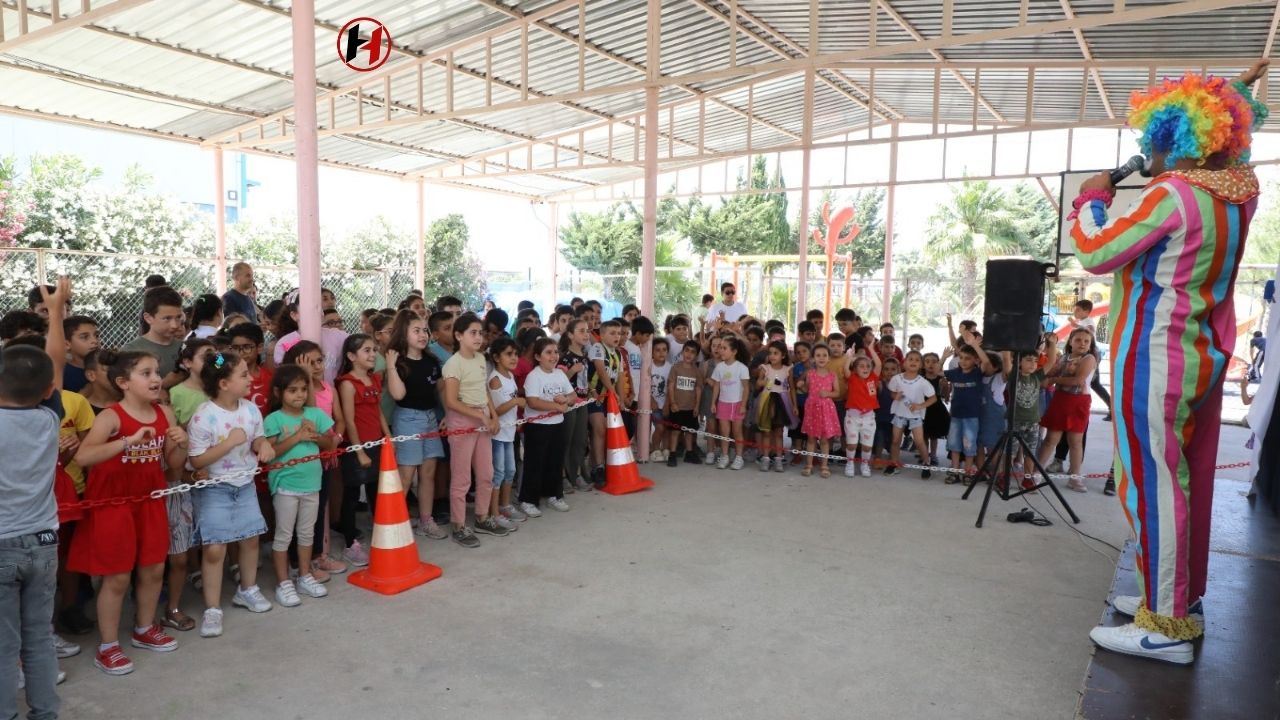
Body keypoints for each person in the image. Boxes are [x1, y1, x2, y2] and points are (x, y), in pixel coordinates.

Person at [1072, 60, 1270, 664]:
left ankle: (1167, 623)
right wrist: (1231, 90)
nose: (1148, 151)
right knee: (1180, 478)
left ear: (1174, 140)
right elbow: (1218, 138)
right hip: (1198, 355)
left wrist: (1091, 198)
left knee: (1154, 485)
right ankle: (1176, 596)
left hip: (1154, 358)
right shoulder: (1240, 191)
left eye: (1155, 138)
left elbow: (1097, 253)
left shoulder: (1174, 195)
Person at [69, 349, 188, 675]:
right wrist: (127, 441)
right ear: (123, 382)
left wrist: (181, 443)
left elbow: (173, 467)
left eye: (156, 372)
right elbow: (83, 458)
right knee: (117, 577)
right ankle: (107, 647)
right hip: (113, 506)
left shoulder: (165, 413)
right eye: (146, 373)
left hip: (151, 501)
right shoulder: (111, 416)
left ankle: (144, 628)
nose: (155, 378)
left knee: (152, 570)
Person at [0, 280, 69, 717]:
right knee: (39, 640)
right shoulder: (49, 419)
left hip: (2, 545)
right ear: (48, 391)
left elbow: (51, 367)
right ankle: (45, 713)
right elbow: (55, 363)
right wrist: (56, 313)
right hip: (43, 542)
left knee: (5, 648)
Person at [187, 349, 276, 638]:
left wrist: (263, 444)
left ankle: (247, 589)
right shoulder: (203, 417)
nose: (251, 378)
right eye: (243, 374)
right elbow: (197, 461)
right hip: (215, 490)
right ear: (224, 383)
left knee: (251, 541)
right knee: (215, 549)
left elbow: (258, 435)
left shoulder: (250, 409)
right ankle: (212, 608)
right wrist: (228, 444)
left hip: (245, 485)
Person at [263, 365, 335, 607]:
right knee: (283, 535)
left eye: (304, 389)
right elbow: (270, 453)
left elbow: (330, 444)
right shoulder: (274, 419)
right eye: (292, 390)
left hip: (312, 484)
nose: (300, 395)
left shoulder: (315, 415)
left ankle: (304, 575)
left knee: (306, 533)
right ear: (278, 392)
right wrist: (297, 437)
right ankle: (284, 582)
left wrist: (316, 436)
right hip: (285, 486)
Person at [280, 342, 347, 577]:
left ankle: (316, 556)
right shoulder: (299, 394)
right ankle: (298, 563)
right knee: (296, 515)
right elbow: (309, 417)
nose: (317, 366)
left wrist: (336, 439)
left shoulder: (328, 387)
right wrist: (305, 379)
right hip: (304, 458)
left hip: (326, 455)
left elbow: (339, 419)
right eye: (309, 363)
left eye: (319, 360)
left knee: (317, 510)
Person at [383, 311, 450, 540]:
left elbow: (440, 388)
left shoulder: (431, 360)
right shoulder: (398, 362)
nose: (423, 335)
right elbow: (398, 394)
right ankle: (391, 527)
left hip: (430, 418)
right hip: (408, 419)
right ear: (404, 333)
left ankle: (426, 520)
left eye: (425, 330)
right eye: (416, 330)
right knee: (406, 475)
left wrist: (448, 413)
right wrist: (391, 366)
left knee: (428, 473)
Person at [442, 313, 505, 547]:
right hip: (462, 420)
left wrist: (494, 414)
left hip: (482, 419)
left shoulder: (480, 359)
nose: (478, 337)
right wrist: (480, 415)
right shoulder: (453, 364)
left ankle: (482, 517)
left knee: (486, 473)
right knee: (461, 477)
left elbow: (484, 391)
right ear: (459, 336)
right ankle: (458, 524)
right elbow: (451, 401)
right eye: (473, 333)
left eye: (480, 333)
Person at [334, 334, 391, 565]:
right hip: (357, 447)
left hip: (376, 444)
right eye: (367, 350)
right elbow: (349, 420)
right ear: (351, 356)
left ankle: (381, 535)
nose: (373, 354)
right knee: (351, 495)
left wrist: (387, 437)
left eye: (374, 350)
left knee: (376, 490)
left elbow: (378, 412)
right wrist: (359, 451)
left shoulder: (374, 379)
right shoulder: (347, 383)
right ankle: (350, 543)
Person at [1036, 328, 1097, 493]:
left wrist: (1053, 380)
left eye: (1086, 341)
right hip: (1060, 400)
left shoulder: (1089, 358)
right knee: (1050, 439)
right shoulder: (1063, 357)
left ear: (1090, 345)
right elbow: (1049, 372)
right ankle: (1036, 474)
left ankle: (1075, 477)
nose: (1082, 344)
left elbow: (1078, 380)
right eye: (1078, 340)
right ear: (1070, 342)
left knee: (1075, 441)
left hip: (1078, 402)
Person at [520, 338, 575, 514]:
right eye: (548, 352)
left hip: (557, 424)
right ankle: (528, 500)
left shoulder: (559, 374)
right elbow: (533, 402)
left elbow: (572, 395)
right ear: (537, 356)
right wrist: (556, 406)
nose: (553, 356)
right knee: (535, 462)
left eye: (556, 352)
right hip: (537, 426)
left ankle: (553, 495)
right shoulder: (533, 376)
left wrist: (566, 400)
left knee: (555, 460)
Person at [487, 337, 526, 528]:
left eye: (516, 354)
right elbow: (495, 410)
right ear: (496, 357)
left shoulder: (510, 377)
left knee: (510, 471)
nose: (514, 358)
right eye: (508, 354)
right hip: (497, 435)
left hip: (509, 432)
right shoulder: (495, 380)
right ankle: (493, 512)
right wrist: (515, 402)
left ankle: (505, 505)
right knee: (498, 473)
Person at [885, 351, 937, 478]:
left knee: (919, 441)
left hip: (915, 416)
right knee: (896, 440)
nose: (913, 362)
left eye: (917, 360)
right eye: (910, 359)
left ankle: (926, 464)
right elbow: (892, 393)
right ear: (904, 362)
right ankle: (893, 464)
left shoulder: (922, 382)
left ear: (921, 365)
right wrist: (895, 396)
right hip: (899, 414)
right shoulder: (896, 379)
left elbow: (933, 398)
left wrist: (920, 406)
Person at [124, 285, 186, 390]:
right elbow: (124, 390)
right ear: (148, 318)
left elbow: (219, 365)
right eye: (167, 318)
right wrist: (164, 384)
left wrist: (221, 352)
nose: (175, 325)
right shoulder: (131, 351)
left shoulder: (186, 347)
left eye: (178, 317)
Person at [557, 319, 593, 488]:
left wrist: (590, 390)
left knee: (580, 441)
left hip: (583, 403)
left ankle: (577, 473)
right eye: (581, 331)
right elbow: (558, 383)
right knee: (566, 440)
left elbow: (584, 381)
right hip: (569, 404)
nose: (586, 334)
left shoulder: (585, 357)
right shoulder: (564, 358)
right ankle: (563, 476)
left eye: (587, 330)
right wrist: (572, 371)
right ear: (570, 335)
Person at [944, 337, 984, 482]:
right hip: (956, 415)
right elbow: (938, 372)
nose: (963, 361)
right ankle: (954, 471)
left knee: (969, 445)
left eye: (967, 358)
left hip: (972, 416)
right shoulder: (955, 372)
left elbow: (986, 363)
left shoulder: (978, 373)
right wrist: (943, 358)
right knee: (954, 445)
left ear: (975, 360)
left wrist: (976, 346)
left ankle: (968, 472)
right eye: (961, 357)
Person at [799, 344, 841, 477]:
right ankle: (809, 465)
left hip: (826, 410)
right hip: (812, 409)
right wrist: (801, 385)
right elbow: (807, 390)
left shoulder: (832, 375)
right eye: (818, 355)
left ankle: (824, 465)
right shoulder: (810, 374)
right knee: (811, 439)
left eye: (824, 355)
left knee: (824, 440)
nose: (821, 358)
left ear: (829, 358)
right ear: (813, 358)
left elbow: (837, 393)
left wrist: (828, 394)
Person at [709, 336, 750, 470]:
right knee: (724, 432)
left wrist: (743, 405)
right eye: (720, 347)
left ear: (734, 351)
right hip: (723, 403)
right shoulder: (719, 367)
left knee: (737, 431)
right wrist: (713, 403)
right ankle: (725, 456)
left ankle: (739, 457)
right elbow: (716, 386)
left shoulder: (741, 368)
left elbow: (746, 388)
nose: (721, 350)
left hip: (737, 404)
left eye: (724, 348)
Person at [844, 334, 882, 478]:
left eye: (867, 366)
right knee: (852, 444)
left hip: (869, 418)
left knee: (867, 446)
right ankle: (850, 463)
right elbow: (846, 369)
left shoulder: (873, 377)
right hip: (852, 417)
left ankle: (865, 464)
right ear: (855, 368)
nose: (865, 368)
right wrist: (849, 356)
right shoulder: (852, 378)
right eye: (861, 366)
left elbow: (878, 365)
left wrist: (871, 350)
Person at [755, 340, 795, 472]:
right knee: (766, 432)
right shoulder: (765, 368)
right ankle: (766, 458)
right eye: (770, 353)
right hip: (767, 401)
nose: (772, 356)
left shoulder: (787, 369)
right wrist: (763, 382)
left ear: (783, 355)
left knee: (778, 433)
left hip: (782, 402)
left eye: (776, 353)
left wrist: (794, 405)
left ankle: (778, 458)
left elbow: (792, 388)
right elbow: (757, 384)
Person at [665, 340, 703, 467]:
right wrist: (673, 402)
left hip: (690, 408)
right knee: (675, 431)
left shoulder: (697, 371)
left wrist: (697, 406)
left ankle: (690, 453)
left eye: (693, 352)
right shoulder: (675, 368)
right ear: (682, 352)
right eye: (687, 350)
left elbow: (698, 389)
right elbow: (670, 386)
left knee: (690, 432)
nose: (689, 354)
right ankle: (672, 454)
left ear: (696, 355)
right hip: (677, 407)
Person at [920, 351, 950, 468]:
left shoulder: (940, 378)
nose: (930, 364)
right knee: (924, 435)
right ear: (923, 364)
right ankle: (925, 455)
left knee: (934, 435)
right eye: (927, 361)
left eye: (934, 362)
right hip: (923, 408)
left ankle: (933, 455)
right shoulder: (920, 378)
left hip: (936, 409)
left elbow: (945, 394)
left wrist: (945, 388)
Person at [62, 315, 99, 393]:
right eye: (85, 337)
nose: (95, 341)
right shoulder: (63, 374)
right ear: (67, 344)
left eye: (96, 335)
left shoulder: (109, 367)